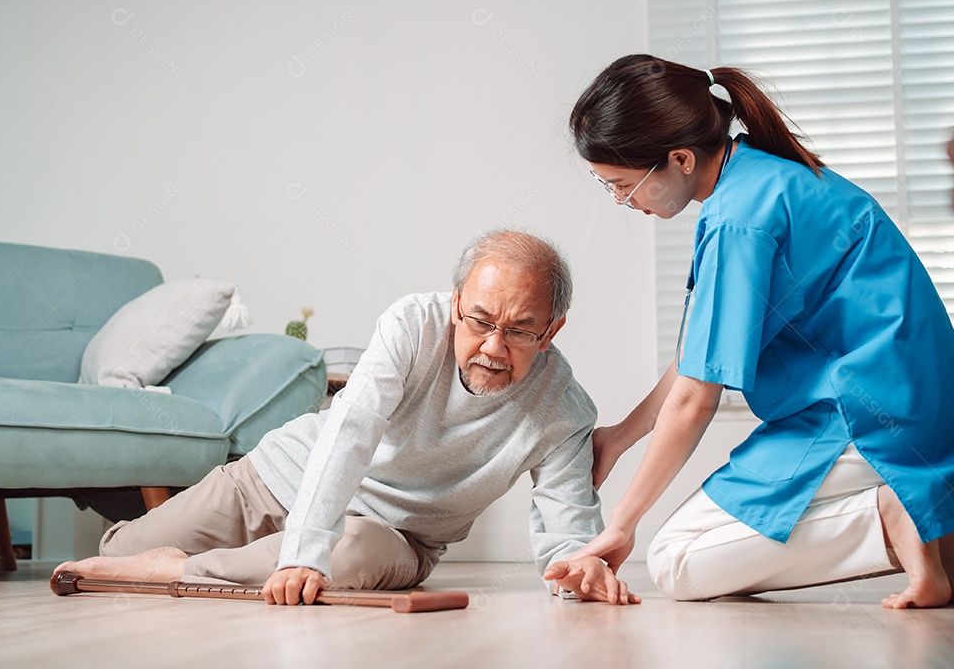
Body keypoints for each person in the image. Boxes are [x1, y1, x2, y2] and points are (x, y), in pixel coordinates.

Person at [544, 54, 954, 609]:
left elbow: (695, 400)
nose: (623, 201)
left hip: (868, 412)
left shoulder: (740, 219)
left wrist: (622, 523)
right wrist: (619, 438)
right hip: (896, 397)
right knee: (697, 547)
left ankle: (894, 516)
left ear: (680, 159)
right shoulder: (758, 178)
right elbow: (698, 359)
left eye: (622, 185)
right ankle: (922, 524)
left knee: (675, 561)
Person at [55, 230, 638, 605]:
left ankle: (174, 572)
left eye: (519, 331)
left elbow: (567, 531)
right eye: (481, 321)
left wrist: (578, 573)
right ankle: (156, 561)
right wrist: (303, 548)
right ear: (456, 302)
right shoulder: (411, 324)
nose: (492, 345)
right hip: (276, 478)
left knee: (350, 551)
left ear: (552, 330)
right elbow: (350, 429)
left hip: (391, 534)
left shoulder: (562, 408)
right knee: (111, 560)